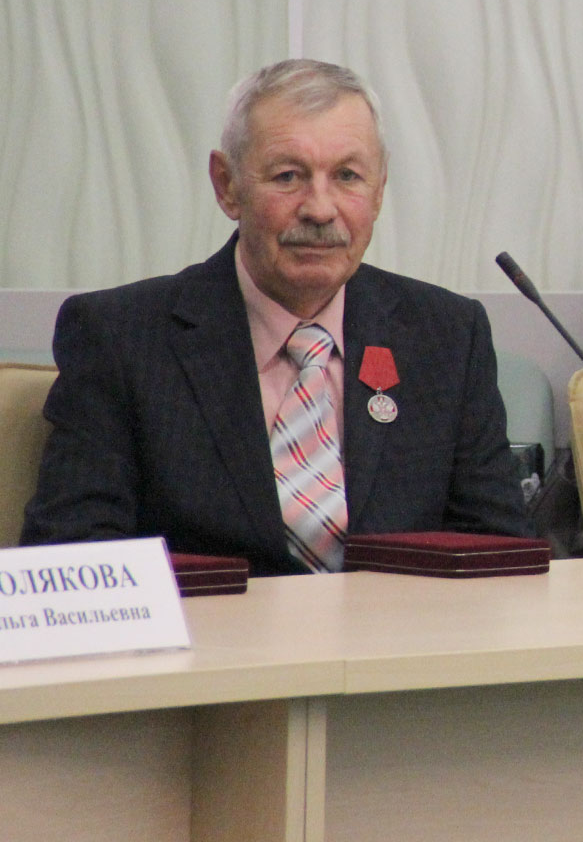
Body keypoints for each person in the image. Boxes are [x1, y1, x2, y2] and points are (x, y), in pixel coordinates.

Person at [22, 60, 533, 574]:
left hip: (399, 625)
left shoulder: (446, 336)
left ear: (379, 190)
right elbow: (73, 561)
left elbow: (496, 553)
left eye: (347, 176)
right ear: (227, 185)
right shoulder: (121, 336)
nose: (320, 209)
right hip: (212, 626)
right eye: (288, 176)